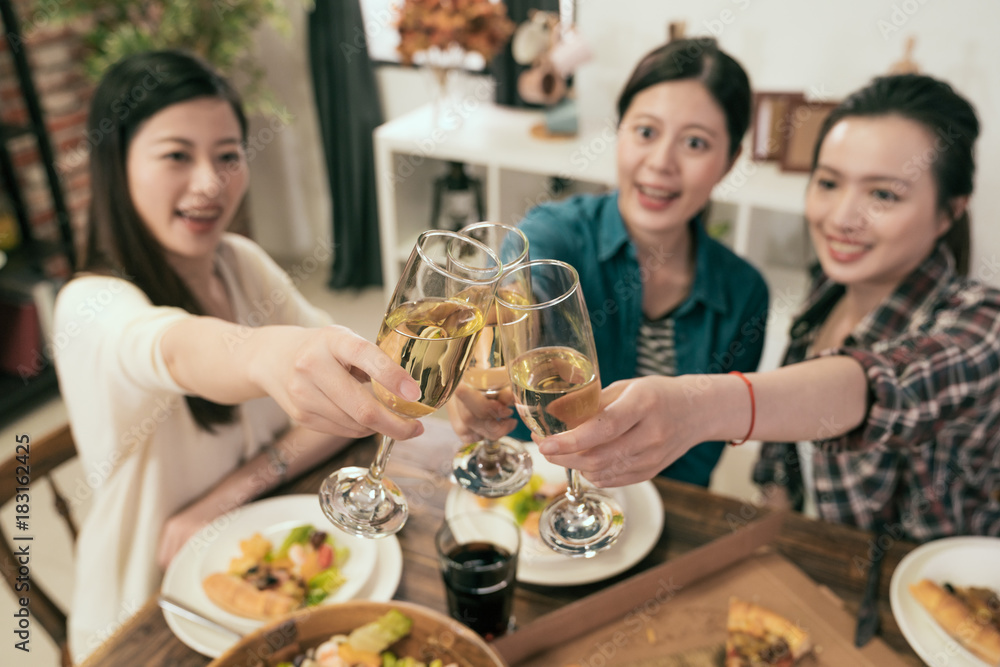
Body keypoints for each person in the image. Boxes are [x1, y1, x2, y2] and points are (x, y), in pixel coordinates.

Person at [52, 50, 424, 662]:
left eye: (228, 156)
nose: (209, 183)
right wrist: (266, 354)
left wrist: (226, 493)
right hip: (145, 621)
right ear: (116, 167)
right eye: (177, 155)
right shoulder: (90, 305)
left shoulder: (239, 262)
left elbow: (344, 400)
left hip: (263, 572)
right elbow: (175, 348)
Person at [534, 73, 1000, 542]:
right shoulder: (826, 299)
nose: (842, 218)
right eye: (830, 183)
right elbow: (782, 471)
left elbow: (879, 385)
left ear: (950, 211)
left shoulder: (983, 323)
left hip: (937, 599)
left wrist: (695, 409)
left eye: (883, 194)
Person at [448, 38, 769, 487]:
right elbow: (521, 300)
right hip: (545, 486)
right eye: (645, 132)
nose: (660, 163)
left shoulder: (744, 291)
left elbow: (702, 454)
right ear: (619, 132)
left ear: (730, 160)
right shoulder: (552, 233)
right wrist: (475, 367)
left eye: (695, 143)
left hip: (661, 504)